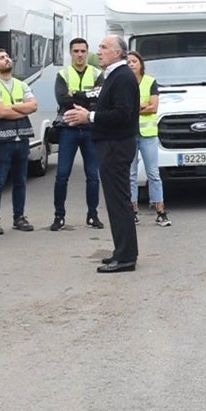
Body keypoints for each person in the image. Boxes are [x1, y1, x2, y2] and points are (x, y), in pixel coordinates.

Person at [63, 34, 140, 273]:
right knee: (115, 202)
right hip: (110, 144)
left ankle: (126, 257)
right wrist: (85, 111)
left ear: (118, 52)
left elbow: (123, 114)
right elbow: (108, 107)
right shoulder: (112, 76)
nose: (99, 51)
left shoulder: (122, 77)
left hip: (117, 146)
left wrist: (90, 117)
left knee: (119, 202)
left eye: (104, 47)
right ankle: (121, 251)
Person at [50, 38, 103, 232]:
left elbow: (101, 97)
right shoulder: (62, 74)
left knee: (93, 175)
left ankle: (93, 215)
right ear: (70, 53)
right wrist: (87, 96)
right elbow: (62, 99)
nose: (79, 54)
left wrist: (77, 95)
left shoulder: (98, 73)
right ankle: (59, 217)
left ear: (87, 52)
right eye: (76, 51)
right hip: (68, 128)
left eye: (83, 51)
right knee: (62, 174)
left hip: (90, 128)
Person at [0, 48, 37, 235]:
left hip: (22, 138)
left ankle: (19, 217)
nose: (6, 59)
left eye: (7, 57)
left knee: (21, 181)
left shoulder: (21, 85)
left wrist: (12, 107)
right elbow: (0, 112)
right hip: (2, 140)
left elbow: (34, 106)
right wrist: (22, 109)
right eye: (1, 58)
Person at [126, 50, 170, 228]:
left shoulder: (151, 82)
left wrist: (135, 108)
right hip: (129, 134)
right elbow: (124, 107)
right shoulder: (124, 83)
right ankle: (132, 211)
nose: (131, 64)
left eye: (134, 61)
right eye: (128, 62)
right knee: (130, 174)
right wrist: (143, 105)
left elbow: (154, 108)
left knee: (153, 174)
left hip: (148, 135)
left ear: (141, 64)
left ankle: (160, 210)